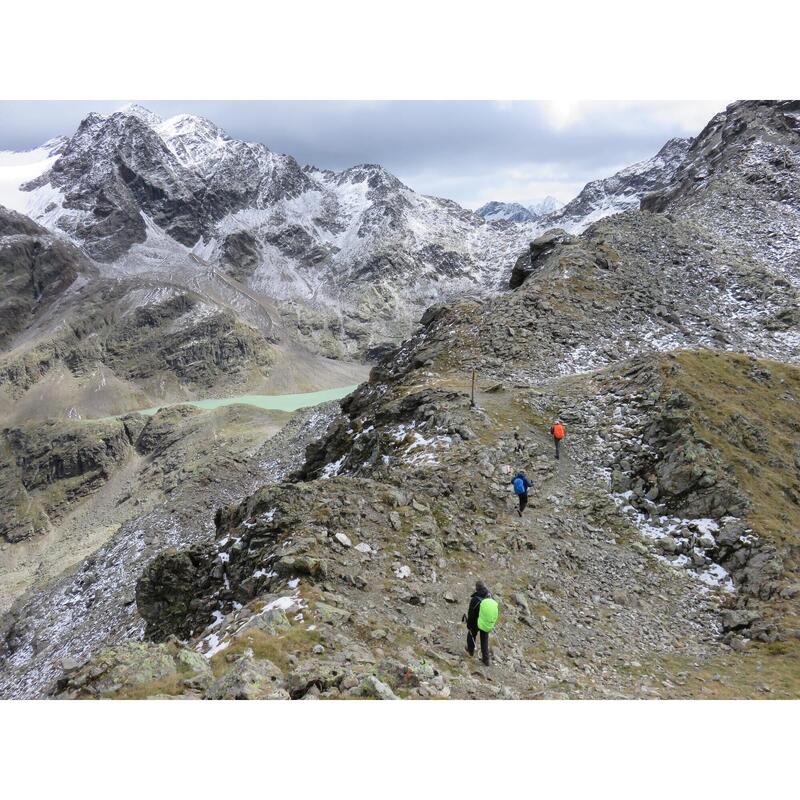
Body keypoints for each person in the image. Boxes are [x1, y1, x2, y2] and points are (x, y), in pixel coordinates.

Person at [464, 581, 498, 666]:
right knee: (484, 639)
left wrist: (469, 624)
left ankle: (470, 652)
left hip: (476, 622)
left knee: (471, 634)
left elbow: (471, 614)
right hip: (485, 622)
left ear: (476, 588)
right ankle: (486, 660)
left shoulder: (475, 599)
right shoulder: (490, 597)